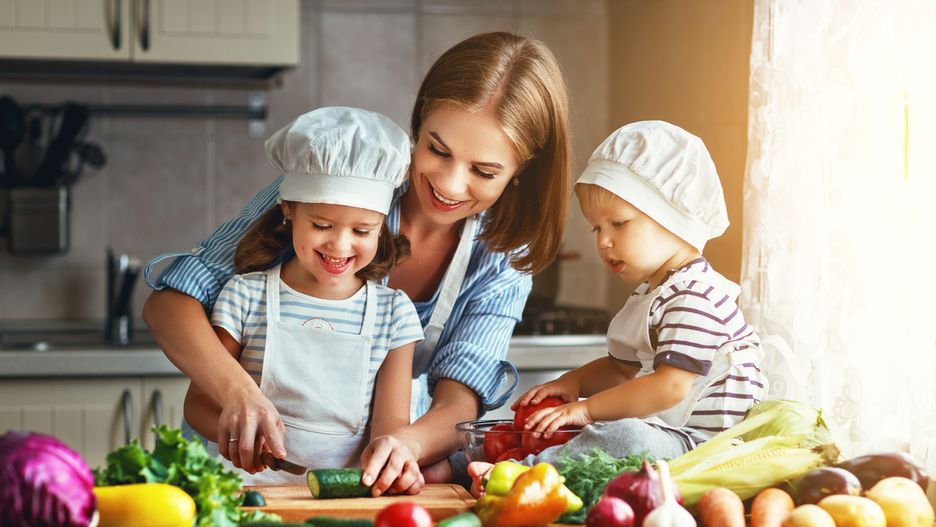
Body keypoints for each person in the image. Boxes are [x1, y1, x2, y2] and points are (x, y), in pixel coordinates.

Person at [142, 31, 572, 495]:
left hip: (348, 481)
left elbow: (457, 403)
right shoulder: (336, 181)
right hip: (231, 470)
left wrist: (403, 446)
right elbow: (170, 305)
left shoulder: (502, 258)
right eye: (437, 150)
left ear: (520, 169)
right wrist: (239, 396)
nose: (449, 183)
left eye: (483, 171)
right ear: (421, 118)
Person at [469, 121, 768, 489]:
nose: (604, 241)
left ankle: (523, 473)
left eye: (619, 224)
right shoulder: (654, 293)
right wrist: (572, 382)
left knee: (627, 438)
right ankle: (490, 462)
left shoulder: (696, 296)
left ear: (673, 218)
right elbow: (621, 370)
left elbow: (670, 387)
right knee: (609, 430)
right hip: (668, 434)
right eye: (597, 228)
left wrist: (586, 409)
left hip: (703, 449)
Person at [182, 107, 424, 485]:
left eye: (362, 231)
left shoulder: (394, 314)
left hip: (342, 499)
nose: (340, 245)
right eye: (322, 225)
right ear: (288, 210)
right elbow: (198, 404)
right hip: (246, 490)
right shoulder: (246, 296)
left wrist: (390, 462)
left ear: (382, 227)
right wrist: (237, 437)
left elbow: (390, 428)